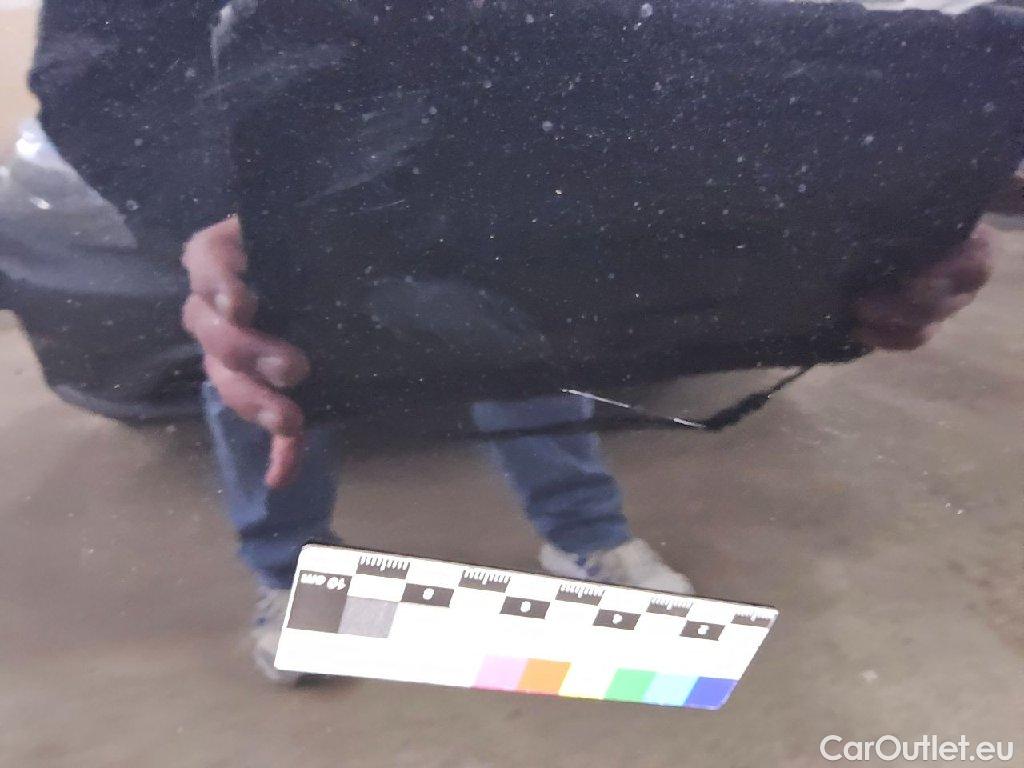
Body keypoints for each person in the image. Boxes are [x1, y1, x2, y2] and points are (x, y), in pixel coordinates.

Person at [30, 0, 995, 684]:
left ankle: (584, 537)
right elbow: (100, 54)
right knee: (269, 359)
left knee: (526, 334)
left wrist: (885, 177)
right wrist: (210, 200)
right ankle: (298, 581)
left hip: (519, 145)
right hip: (284, 161)